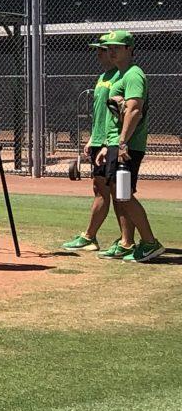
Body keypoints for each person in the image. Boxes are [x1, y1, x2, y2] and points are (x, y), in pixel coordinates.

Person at [96, 30, 164, 263]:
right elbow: (122, 111)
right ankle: (129, 243)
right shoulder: (122, 75)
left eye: (117, 46)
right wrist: (108, 144)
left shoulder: (134, 75)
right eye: (110, 47)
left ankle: (150, 242)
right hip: (117, 144)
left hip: (126, 146)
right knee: (120, 194)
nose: (111, 50)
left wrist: (122, 142)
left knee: (124, 194)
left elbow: (134, 110)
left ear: (129, 49)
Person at [61, 36, 119, 252]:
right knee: (100, 188)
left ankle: (127, 241)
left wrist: (108, 142)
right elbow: (101, 113)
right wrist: (94, 139)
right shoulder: (103, 76)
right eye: (100, 50)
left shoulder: (122, 77)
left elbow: (123, 114)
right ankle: (90, 237)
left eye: (103, 50)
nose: (100, 54)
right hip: (100, 141)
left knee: (120, 192)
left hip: (112, 143)